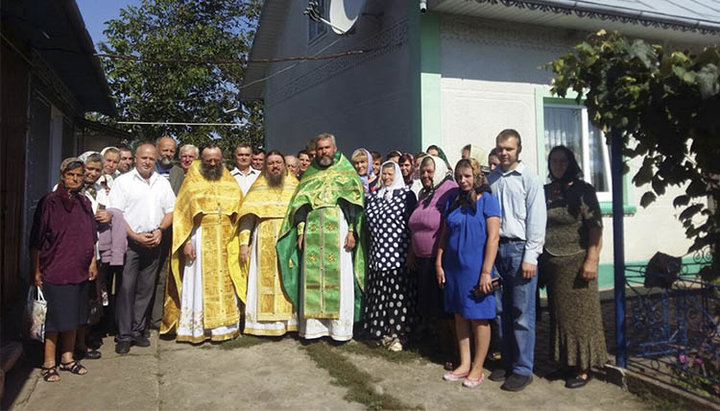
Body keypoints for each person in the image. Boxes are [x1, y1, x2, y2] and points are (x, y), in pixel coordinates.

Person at [276, 133, 365, 341]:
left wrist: (352, 230)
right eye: (320, 148)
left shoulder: (346, 171)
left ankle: (339, 329)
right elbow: (299, 207)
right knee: (312, 276)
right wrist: (300, 232)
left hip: (339, 227)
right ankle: (314, 329)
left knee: (340, 275)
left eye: (327, 148)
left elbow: (354, 205)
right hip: (313, 228)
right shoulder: (310, 174)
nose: (323, 152)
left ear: (334, 148)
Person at [539, 145, 607, 389]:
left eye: (562, 161)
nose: (558, 165)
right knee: (560, 317)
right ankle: (566, 362)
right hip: (553, 264)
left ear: (571, 163)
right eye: (553, 161)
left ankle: (584, 367)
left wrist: (592, 259)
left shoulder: (583, 190)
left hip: (577, 263)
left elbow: (595, 227)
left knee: (581, 317)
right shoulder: (547, 191)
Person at [162, 146, 244, 343]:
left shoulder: (229, 179)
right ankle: (198, 329)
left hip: (225, 238)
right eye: (209, 160)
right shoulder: (192, 178)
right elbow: (182, 213)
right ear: (203, 160)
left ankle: (224, 327)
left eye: (216, 160)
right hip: (200, 235)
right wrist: (186, 242)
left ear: (222, 159)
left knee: (227, 281)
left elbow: (240, 210)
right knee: (197, 281)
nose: (213, 164)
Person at [487, 129, 546, 391]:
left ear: (518, 149)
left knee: (522, 313)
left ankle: (523, 368)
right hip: (496, 250)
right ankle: (508, 361)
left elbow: (537, 219)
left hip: (520, 249)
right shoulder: (492, 179)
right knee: (500, 311)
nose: (504, 152)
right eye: (500, 148)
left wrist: (531, 256)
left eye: (509, 148)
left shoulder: (529, 179)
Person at [31, 157, 97, 382]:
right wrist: (36, 270)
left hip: (79, 269)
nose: (76, 179)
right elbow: (36, 240)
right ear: (63, 176)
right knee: (55, 319)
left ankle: (67, 358)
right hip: (55, 269)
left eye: (79, 175)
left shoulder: (84, 203)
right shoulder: (49, 202)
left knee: (75, 316)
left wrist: (92, 262)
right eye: (71, 175)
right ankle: (49, 362)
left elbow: (91, 236)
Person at [437, 159, 501, 388]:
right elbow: (444, 234)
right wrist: (438, 263)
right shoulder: (454, 201)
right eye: (459, 176)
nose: (463, 181)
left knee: (478, 317)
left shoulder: (488, 201)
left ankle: (477, 367)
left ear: (476, 176)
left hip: (476, 268)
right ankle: (464, 363)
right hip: (453, 267)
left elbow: (494, 237)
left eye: (467, 176)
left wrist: (486, 271)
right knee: (460, 315)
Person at [108, 143, 175, 354]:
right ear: (135, 158)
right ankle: (124, 335)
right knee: (126, 289)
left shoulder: (161, 183)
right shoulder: (123, 182)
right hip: (130, 243)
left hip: (154, 241)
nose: (147, 162)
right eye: (143, 158)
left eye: (151, 159)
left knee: (146, 289)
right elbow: (116, 214)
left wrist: (160, 230)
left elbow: (170, 211)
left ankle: (138, 331)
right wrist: (135, 236)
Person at [237, 151, 299, 336]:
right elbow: (247, 217)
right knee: (263, 278)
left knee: (285, 276)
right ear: (265, 166)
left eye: (278, 162)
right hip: (262, 237)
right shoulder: (258, 187)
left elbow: (302, 214)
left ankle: (288, 323)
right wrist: (243, 244)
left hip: (288, 237)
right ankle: (262, 324)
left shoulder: (295, 186)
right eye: (271, 163)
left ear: (284, 165)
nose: (275, 166)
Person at [408, 155, 458, 366]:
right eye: (423, 172)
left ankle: (454, 352)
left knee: (445, 309)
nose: (426, 175)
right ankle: (439, 346)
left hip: (440, 258)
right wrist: (411, 251)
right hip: (421, 258)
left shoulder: (450, 190)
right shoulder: (424, 193)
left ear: (438, 170)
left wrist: (439, 259)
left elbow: (448, 225)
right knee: (431, 306)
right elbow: (416, 225)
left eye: (430, 171)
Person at [363, 161, 417, 351]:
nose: (386, 177)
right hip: (378, 256)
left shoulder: (406, 196)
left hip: (397, 257)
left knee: (397, 297)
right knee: (379, 296)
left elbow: (412, 226)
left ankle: (398, 335)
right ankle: (381, 332)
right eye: (384, 174)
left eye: (390, 174)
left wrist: (411, 252)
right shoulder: (374, 197)